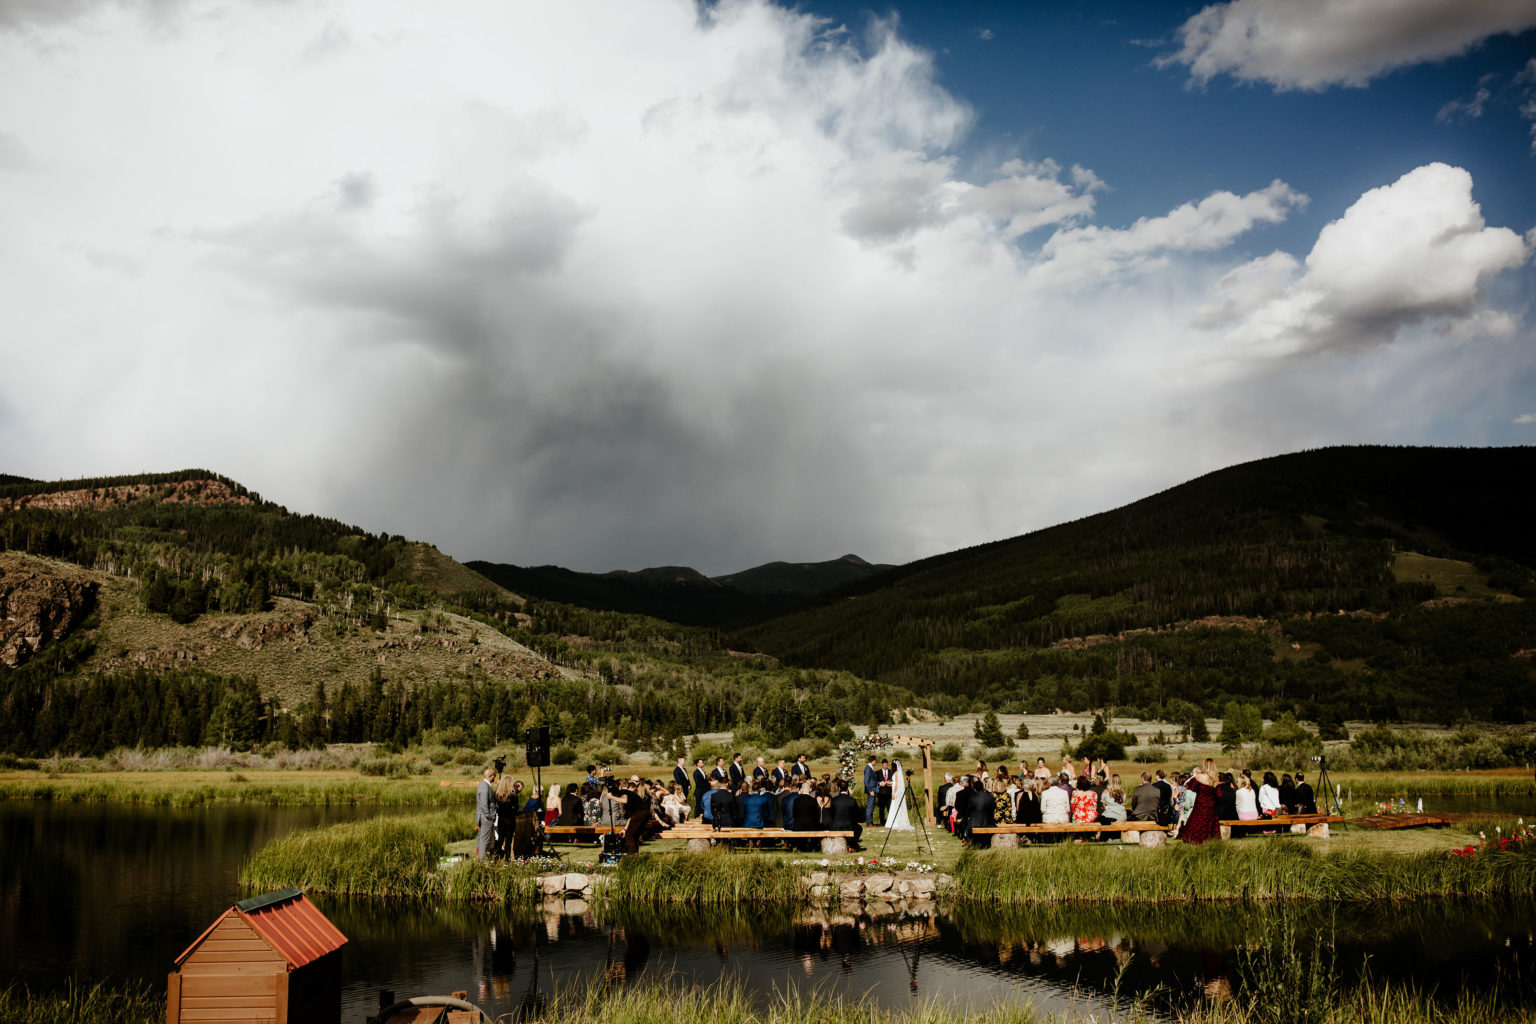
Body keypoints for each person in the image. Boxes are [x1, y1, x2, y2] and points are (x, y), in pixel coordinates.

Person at [1180, 759, 1221, 845]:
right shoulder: (1215, 779)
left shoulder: (1198, 777)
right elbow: (1219, 794)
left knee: (1197, 823)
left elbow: (1188, 786)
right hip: (1211, 806)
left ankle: (1193, 840)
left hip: (1200, 804)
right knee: (1210, 825)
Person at [828, 778, 863, 850]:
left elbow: (831, 814)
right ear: (848, 788)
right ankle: (853, 845)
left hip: (836, 826)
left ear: (839, 788)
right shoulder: (852, 800)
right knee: (859, 828)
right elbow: (856, 816)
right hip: (848, 826)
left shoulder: (834, 800)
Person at [475, 767, 498, 860]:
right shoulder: (484, 786)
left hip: (484, 817)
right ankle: (482, 860)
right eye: (494, 775)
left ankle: (481, 858)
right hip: (486, 818)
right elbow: (484, 804)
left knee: (482, 838)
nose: (495, 777)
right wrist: (489, 816)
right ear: (491, 776)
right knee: (484, 839)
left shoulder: (485, 785)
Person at [968, 777, 997, 848]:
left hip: (975, 824)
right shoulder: (990, 797)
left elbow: (968, 811)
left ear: (974, 789)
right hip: (989, 823)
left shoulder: (972, 798)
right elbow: (994, 808)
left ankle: (972, 843)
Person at [888, 762, 913, 830]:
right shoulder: (899, 773)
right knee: (897, 807)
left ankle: (895, 822)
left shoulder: (896, 773)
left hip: (896, 792)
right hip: (899, 792)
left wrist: (893, 793)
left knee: (895, 807)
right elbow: (895, 783)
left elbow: (896, 784)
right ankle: (898, 821)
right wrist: (888, 783)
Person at [863, 755, 880, 826]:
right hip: (871, 790)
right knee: (870, 806)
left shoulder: (870, 768)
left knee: (871, 806)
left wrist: (879, 783)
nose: (875, 762)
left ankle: (870, 822)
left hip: (873, 789)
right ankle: (869, 823)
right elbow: (866, 781)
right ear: (873, 761)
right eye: (875, 761)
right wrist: (870, 791)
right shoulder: (868, 768)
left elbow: (872, 780)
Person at [876, 760, 894, 824]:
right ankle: (882, 822)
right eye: (884, 765)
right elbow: (875, 781)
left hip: (889, 793)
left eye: (886, 765)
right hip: (881, 793)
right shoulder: (877, 772)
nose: (885, 766)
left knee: (889, 808)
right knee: (881, 809)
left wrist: (889, 783)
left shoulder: (891, 772)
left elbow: (893, 781)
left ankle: (890, 822)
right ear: (882, 765)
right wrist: (879, 783)